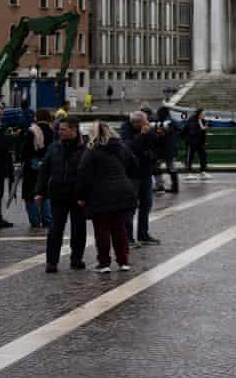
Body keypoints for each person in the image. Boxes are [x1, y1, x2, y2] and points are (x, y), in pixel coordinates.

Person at [75, 122, 137, 273]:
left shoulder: (92, 150)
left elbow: (83, 173)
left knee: (102, 229)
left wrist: (80, 195)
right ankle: (123, 261)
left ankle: (104, 263)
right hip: (122, 191)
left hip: (100, 193)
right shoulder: (121, 147)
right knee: (119, 227)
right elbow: (134, 164)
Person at [35, 116, 87, 273]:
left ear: (74, 130)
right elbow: (44, 171)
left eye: (63, 129)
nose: (60, 132)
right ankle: (52, 262)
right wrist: (39, 192)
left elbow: (90, 174)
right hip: (58, 194)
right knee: (55, 230)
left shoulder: (86, 149)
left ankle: (76, 259)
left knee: (78, 229)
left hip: (78, 197)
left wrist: (86, 195)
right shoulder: (54, 147)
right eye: (59, 129)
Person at [124, 112, 161, 246]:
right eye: (145, 122)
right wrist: (142, 135)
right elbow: (130, 147)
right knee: (130, 207)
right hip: (132, 174)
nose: (148, 123)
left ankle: (143, 235)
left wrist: (153, 133)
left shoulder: (146, 130)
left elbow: (156, 143)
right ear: (137, 123)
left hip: (146, 172)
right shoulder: (126, 130)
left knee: (146, 205)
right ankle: (128, 238)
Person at [20, 109, 55, 230]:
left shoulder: (32, 130)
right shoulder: (52, 131)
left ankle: (35, 220)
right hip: (47, 166)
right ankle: (47, 218)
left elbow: (24, 151)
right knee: (45, 193)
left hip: (32, 166)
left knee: (30, 193)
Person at [153, 105, 179, 194]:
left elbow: (159, 135)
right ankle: (175, 187)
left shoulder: (160, 123)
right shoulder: (172, 122)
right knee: (171, 168)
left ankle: (159, 186)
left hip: (161, 149)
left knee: (156, 167)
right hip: (171, 148)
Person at [184, 108, 210, 180]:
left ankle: (202, 171)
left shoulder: (203, 121)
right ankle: (189, 173)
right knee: (190, 157)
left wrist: (204, 140)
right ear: (199, 114)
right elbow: (192, 132)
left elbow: (203, 131)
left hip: (200, 142)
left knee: (203, 156)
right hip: (192, 142)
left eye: (204, 114)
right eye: (203, 114)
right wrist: (202, 129)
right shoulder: (192, 121)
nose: (204, 115)